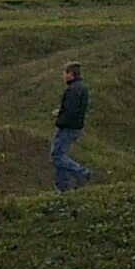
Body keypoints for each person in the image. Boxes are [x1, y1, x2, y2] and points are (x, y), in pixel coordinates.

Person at [51, 62, 94, 192]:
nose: (63, 76)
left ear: (71, 74)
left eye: (64, 73)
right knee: (59, 156)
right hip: (74, 127)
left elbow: (71, 110)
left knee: (56, 156)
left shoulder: (73, 90)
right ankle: (62, 187)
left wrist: (60, 120)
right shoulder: (81, 88)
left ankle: (81, 173)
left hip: (68, 128)